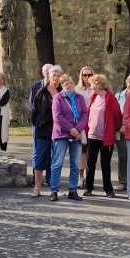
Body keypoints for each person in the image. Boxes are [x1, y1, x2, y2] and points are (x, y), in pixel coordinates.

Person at [49, 74, 88, 202]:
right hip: (61, 134)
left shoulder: (79, 98)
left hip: (76, 135)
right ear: (62, 86)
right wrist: (71, 129)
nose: (68, 85)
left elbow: (84, 114)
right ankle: (54, 190)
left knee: (75, 164)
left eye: (70, 83)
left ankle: (73, 190)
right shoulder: (57, 98)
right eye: (65, 84)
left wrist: (78, 129)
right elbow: (57, 117)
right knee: (58, 162)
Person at [83, 74, 122, 198]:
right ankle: (88, 188)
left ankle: (108, 189)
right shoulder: (93, 97)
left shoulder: (110, 98)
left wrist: (114, 130)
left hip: (106, 137)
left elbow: (117, 116)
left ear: (98, 84)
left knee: (105, 164)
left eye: (92, 84)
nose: (90, 86)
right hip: (92, 135)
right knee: (90, 162)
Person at [30, 64, 61, 197]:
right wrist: (38, 123)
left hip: (59, 132)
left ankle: (54, 188)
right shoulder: (41, 92)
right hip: (43, 131)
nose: (56, 78)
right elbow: (33, 111)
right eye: (54, 75)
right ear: (48, 76)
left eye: (58, 75)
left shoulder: (62, 92)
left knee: (56, 160)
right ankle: (37, 187)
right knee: (39, 159)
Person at [115, 74, 130, 190]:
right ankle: (123, 181)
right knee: (123, 156)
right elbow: (115, 113)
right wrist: (118, 127)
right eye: (129, 82)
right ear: (126, 82)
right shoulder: (119, 96)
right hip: (121, 130)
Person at [75, 66, 94, 187]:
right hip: (82, 122)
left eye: (89, 75)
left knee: (91, 152)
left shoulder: (95, 88)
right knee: (82, 151)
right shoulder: (77, 90)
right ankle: (80, 177)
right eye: (84, 75)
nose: (87, 77)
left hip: (93, 122)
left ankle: (89, 177)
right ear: (81, 76)